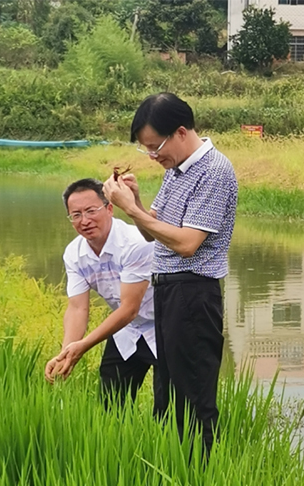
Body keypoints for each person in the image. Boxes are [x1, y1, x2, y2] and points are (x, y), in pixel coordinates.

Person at [103, 92, 238, 454]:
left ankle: (202, 482)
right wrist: (139, 203)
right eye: (145, 150)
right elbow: (156, 235)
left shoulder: (213, 170)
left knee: (193, 398)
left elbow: (187, 244)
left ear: (180, 132)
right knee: (168, 396)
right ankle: (174, 472)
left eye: (154, 146)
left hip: (193, 294)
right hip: (167, 290)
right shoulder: (176, 171)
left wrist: (132, 210)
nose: (152, 156)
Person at [45, 178, 157, 407]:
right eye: (75, 215)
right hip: (127, 330)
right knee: (111, 404)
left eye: (91, 211)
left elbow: (129, 308)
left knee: (170, 409)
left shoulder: (136, 243)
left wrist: (83, 346)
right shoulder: (74, 253)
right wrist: (66, 353)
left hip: (165, 327)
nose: (84, 221)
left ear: (109, 209)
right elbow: (78, 307)